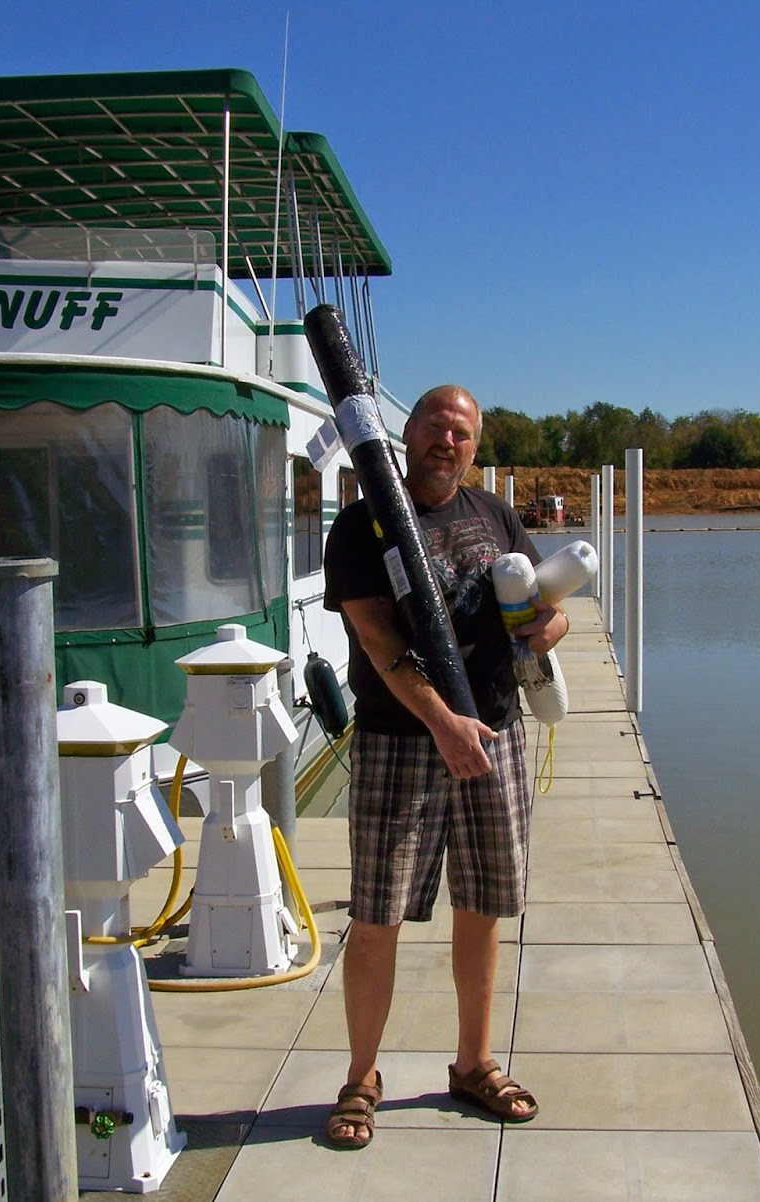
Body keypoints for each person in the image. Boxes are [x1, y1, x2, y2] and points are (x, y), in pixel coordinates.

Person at [320, 383, 570, 1149]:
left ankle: (473, 1064)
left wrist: (551, 624)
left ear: (475, 446)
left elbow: (540, 605)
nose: (447, 440)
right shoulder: (361, 523)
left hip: (496, 734)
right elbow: (378, 641)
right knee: (377, 916)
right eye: (435, 425)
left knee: (484, 906)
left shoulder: (494, 515)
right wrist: (442, 722)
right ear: (407, 433)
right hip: (401, 740)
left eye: (461, 432)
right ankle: (361, 1077)